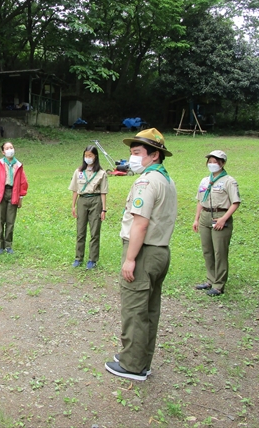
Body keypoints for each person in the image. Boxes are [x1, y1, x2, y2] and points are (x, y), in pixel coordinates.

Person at [105, 128, 177, 381]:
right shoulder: (166, 179)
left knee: (134, 310)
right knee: (149, 310)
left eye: (137, 153)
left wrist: (130, 258)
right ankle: (139, 358)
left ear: (154, 155)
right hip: (160, 251)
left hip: (144, 252)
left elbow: (140, 223)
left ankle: (132, 365)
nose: (132, 158)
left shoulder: (147, 181)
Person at [192, 150, 240, 296]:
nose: (212, 164)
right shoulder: (205, 180)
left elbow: (235, 202)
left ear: (222, 163)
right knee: (207, 250)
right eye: (210, 162)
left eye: (216, 162)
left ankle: (219, 285)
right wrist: (196, 218)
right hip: (205, 215)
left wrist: (223, 219)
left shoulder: (229, 181)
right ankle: (210, 279)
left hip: (220, 215)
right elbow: (200, 200)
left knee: (220, 251)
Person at [68, 145, 108, 269]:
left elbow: (103, 192)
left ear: (95, 156)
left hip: (96, 200)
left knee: (94, 231)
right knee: (80, 231)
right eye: (86, 156)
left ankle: (92, 259)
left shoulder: (101, 173)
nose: (88, 158)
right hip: (82, 200)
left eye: (90, 156)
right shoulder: (79, 171)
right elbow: (75, 190)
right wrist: (73, 206)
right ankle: (78, 258)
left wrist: (104, 209)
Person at [0, 141, 29, 254]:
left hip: (13, 193)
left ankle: (8, 245)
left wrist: (20, 197)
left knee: (10, 221)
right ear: (3, 152)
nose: (10, 150)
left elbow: (23, 183)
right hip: (0, 193)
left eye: (11, 147)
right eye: (7, 148)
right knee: (0, 220)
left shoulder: (18, 165)